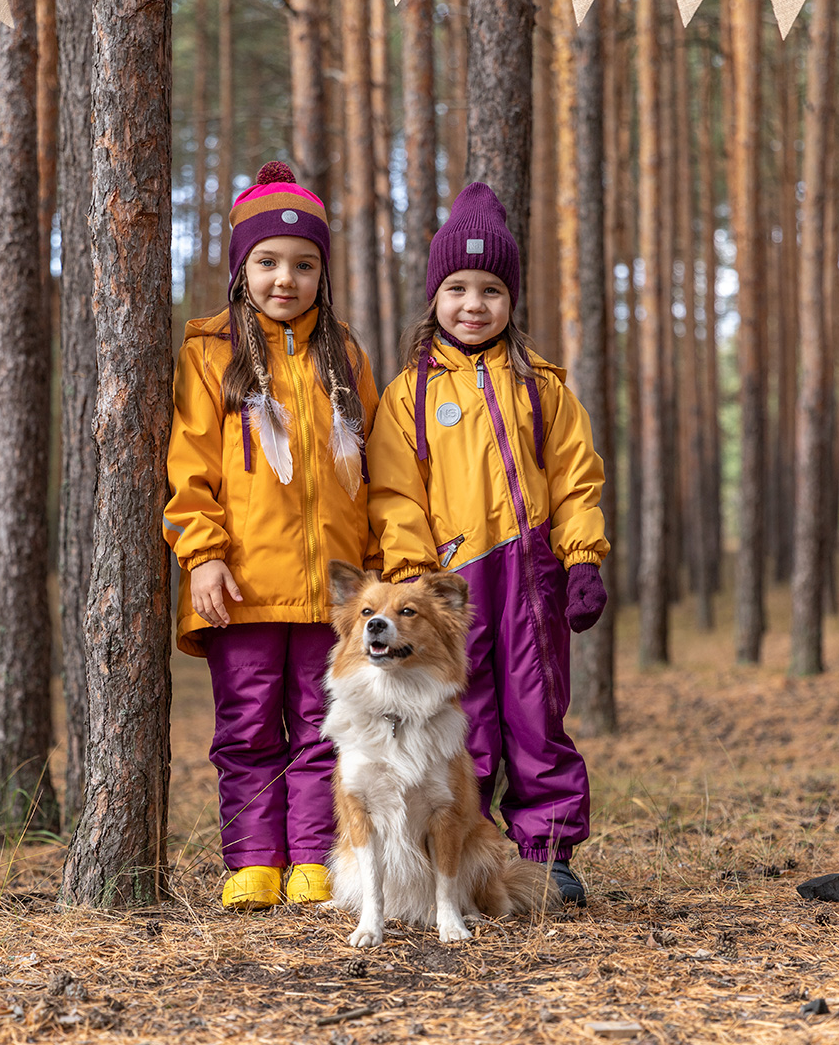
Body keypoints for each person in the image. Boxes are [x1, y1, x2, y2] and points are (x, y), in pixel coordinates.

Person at [366, 181, 609, 906]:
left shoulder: (542, 388)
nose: (474, 305)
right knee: (458, 722)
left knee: (537, 715)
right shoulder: (408, 394)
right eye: (459, 288)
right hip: (447, 590)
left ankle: (548, 852)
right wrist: (412, 578)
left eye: (492, 290)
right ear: (435, 297)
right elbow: (394, 490)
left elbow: (576, 479)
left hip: (532, 578)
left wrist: (583, 557)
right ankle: (458, 860)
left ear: (512, 300)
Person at [164, 161, 379, 912]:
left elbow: (376, 470)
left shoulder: (346, 356)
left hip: (334, 594)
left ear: (322, 272)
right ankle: (254, 858)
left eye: (303, 264)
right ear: (241, 269)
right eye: (268, 263)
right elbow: (189, 467)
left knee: (326, 728)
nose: (285, 279)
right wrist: (202, 555)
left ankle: (315, 856)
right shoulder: (209, 352)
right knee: (248, 727)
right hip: (245, 586)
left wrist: (379, 574)